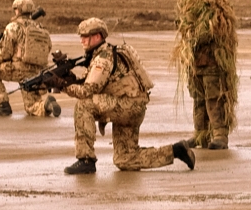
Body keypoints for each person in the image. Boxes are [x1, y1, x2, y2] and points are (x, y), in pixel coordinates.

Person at [54, 18, 195, 175]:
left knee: (84, 105)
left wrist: (62, 85)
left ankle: (85, 160)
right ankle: (176, 150)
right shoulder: (107, 53)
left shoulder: (103, 59)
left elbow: (87, 91)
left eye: (85, 36)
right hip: (133, 107)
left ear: (97, 36)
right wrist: (68, 79)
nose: (82, 40)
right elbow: (91, 82)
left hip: (127, 107)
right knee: (125, 159)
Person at [173, 0, 238, 150]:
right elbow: (185, 22)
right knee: (198, 97)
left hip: (213, 59)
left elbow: (214, 27)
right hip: (196, 59)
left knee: (214, 96)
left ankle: (220, 134)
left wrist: (195, 35)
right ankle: (201, 133)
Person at [0, 0, 60, 118]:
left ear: (17, 10)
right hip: (38, 73)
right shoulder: (41, 29)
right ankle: (47, 105)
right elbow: (48, 48)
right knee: (31, 106)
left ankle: (3, 105)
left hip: (19, 69)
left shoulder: (13, 27)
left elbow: (5, 53)